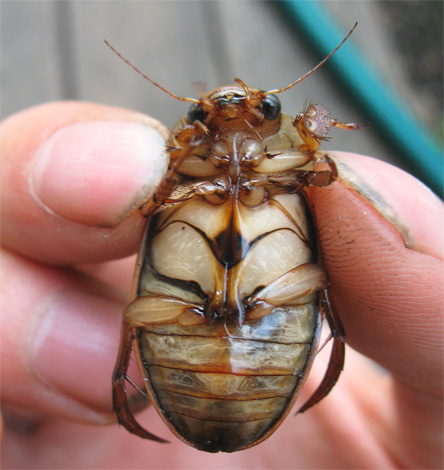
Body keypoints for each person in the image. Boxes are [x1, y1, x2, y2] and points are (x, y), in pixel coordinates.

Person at [1, 101, 442, 469]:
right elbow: (147, 199)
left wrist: (315, 131)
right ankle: (118, 377)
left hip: (227, 329)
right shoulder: (179, 176)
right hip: (247, 333)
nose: (236, 124)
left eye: (261, 110)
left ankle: (120, 379)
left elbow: (323, 173)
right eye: (210, 114)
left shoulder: (285, 170)